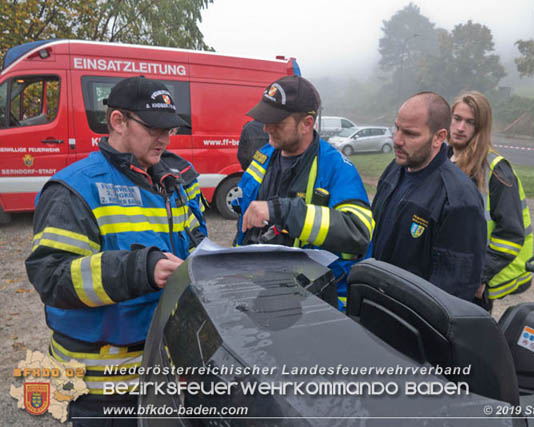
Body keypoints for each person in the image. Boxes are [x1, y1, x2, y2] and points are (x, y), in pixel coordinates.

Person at [25, 76, 207, 426]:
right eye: (154, 128)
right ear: (118, 122)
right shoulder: (74, 188)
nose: (165, 139)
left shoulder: (174, 179)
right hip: (100, 388)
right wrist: (139, 269)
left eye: (170, 129)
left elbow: (194, 238)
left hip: (158, 372)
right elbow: (51, 277)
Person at [235, 75, 374, 310]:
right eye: (264, 119)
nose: (266, 128)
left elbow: (358, 231)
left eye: (276, 122)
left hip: (311, 304)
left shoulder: (336, 168)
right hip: (260, 292)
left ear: (307, 124)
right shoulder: (266, 154)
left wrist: (284, 210)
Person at [371, 91, 486, 302]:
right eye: (397, 128)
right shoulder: (394, 171)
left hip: (411, 324)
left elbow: (452, 293)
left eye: (410, 134)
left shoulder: (459, 200)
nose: (397, 140)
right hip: (376, 304)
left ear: (439, 137)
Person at [449, 91, 533, 311]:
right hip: (442, 274)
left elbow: (511, 234)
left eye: (470, 122)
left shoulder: (496, 171)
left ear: (481, 127)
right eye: (457, 119)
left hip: (470, 285)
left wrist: (480, 275)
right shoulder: (441, 158)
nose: (460, 128)